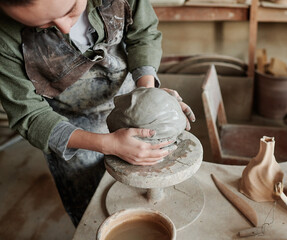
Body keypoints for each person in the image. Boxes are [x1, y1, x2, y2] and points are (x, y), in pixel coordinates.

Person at [0, 0, 195, 226]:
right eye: (43, 25)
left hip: (128, 96)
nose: (64, 28)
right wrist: (106, 144)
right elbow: (30, 115)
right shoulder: (4, 37)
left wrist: (148, 96)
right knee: (93, 212)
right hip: (70, 124)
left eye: (70, 11)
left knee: (141, 195)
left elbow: (143, 33)